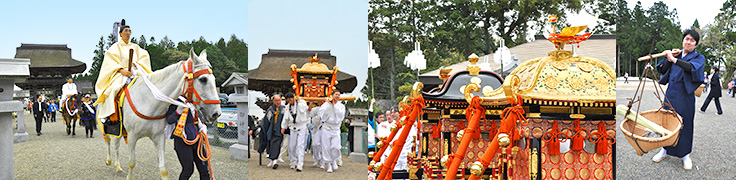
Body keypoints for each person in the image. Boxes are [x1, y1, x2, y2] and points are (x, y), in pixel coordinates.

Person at [653, 29, 705, 170]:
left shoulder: (698, 57)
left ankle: (685, 155)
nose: (688, 42)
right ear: (683, 40)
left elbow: (691, 68)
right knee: (667, 122)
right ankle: (665, 149)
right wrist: (669, 58)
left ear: (695, 44)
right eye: (686, 39)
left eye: (692, 40)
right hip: (670, 93)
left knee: (685, 123)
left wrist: (674, 59)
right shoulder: (675, 54)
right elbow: (662, 70)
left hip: (685, 95)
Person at [94, 19, 153, 124]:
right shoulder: (115, 47)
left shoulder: (135, 47)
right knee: (113, 90)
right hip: (120, 73)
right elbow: (110, 62)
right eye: (125, 31)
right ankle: (109, 117)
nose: (128, 33)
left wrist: (137, 64)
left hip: (136, 71)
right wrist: (122, 70)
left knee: (151, 85)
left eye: (129, 31)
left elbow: (144, 56)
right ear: (120, 34)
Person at [165, 96, 210, 179]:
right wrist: (178, 111)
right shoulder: (174, 104)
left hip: (197, 140)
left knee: (204, 170)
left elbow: (198, 119)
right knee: (188, 170)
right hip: (182, 141)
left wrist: (203, 127)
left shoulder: (193, 104)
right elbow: (169, 120)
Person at [281, 93, 310, 172]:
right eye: (288, 101)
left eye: (290, 100)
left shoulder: (302, 102)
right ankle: (293, 161)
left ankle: (300, 164)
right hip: (292, 127)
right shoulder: (287, 107)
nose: (290, 102)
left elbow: (304, 110)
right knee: (292, 146)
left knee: (300, 145)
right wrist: (283, 127)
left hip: (302, 126)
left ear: (293, 98)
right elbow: (285, 118)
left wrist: (299, 102)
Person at [319, 91, 346, 173]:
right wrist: (329, 105)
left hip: (336, 128)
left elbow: (341, 116)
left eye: (339, 95)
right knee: (326, 147)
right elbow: (322, 115)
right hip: (326, 127)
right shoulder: (325, 104)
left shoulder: (341, 106)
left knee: (336, 147)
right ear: (332, 95)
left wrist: (334, 106)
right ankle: (328, 165)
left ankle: (334, 160)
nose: (337, 96)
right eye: (336, 94)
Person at [258, 94, 286, 169]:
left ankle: (274, 161)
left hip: (279, 130)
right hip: (271, 130)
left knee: (276, 145)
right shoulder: (270, 109)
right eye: (276, 100)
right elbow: (266, 120)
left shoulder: (283, 109)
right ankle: (272, 160)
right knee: (270, 145)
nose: (278, 102)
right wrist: (261, 127)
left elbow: (286, 119)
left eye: (279, 100)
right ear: (273, 101)